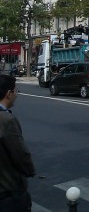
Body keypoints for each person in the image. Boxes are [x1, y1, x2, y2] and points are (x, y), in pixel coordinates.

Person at [0, 74, 36, 212]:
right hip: (7, 191)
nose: (17, 94)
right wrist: (30, 171)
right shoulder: (6, 120)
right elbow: (21, 154)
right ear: (8, 94)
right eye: (16, 91)